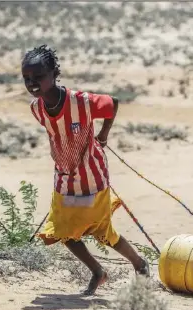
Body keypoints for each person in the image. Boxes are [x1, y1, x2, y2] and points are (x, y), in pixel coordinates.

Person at [21, 44, 149, 296]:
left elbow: (113, 104)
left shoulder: (81, 102)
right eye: (27, 78)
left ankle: (140, 264)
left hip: (92, 175)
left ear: (54, 74)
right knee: (63, 231)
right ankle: (97, 272)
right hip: (64, 177)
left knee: (103, 232)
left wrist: (103, 133)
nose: (32, 83)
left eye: (38, 77)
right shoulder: (36, 108)